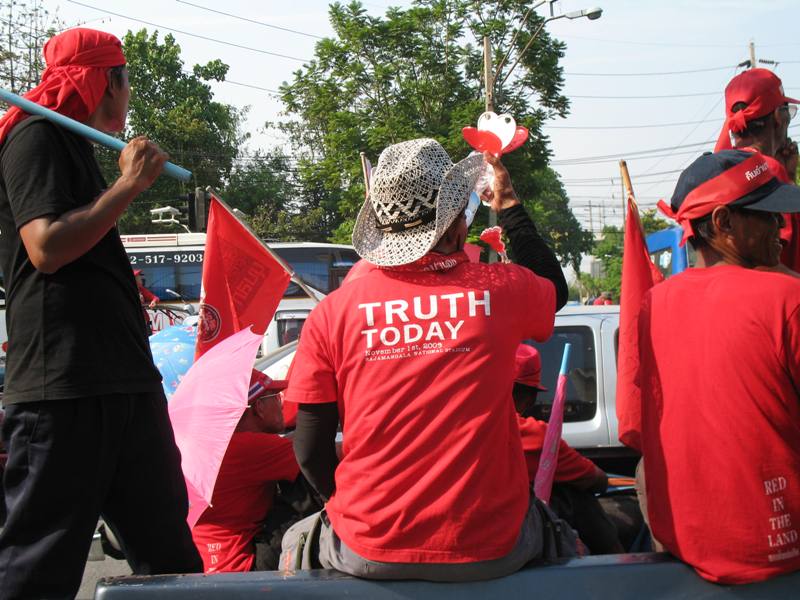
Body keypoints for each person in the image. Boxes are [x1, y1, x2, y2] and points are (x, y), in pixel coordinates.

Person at [281, 138, 572, 581]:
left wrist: (349, 507)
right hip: (492, 544)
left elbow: (308, 447)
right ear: (455, 224)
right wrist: (508, 202)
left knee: (290, 543)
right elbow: (554, 288)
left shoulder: (333, 311)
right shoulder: (501, 288)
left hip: (366, 546)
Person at [0, 28, 202, 598]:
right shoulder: (35, 136)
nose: (129, 93)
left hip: (122, 381)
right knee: (39, 567)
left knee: (169, 555)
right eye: (126, 78)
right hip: (64, 387)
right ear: (106, 80)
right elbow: (47, 247)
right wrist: (129, 187)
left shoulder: (70, 143)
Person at [640, 149, 800, 584]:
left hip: (684, 544)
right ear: (723, 223)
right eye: (766, 217)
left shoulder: (654, 303)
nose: (780, 230)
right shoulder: (785, 299)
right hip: (778, 550)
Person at [192, 370, 322, 573]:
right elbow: (325, 455)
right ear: (259, 407)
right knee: (310, 486)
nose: (281, 402)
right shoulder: (253, 447)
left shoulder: (217, 444)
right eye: (275, 397)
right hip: (244, 563)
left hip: (208, 561)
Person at [513, 344, 624, 554]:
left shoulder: (460, 424)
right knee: (576, 498)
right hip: (515, 530)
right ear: (530, 398)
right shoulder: (536, 436)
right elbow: (595, 479)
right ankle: (620, 564)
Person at [715, 68, 800, 270]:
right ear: (779, 117)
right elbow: (772, 263)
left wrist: (788, 179)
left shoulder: (718, 169)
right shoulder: (767, 170)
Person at [134, 269, 159, 333]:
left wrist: (154, 301)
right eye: (138, 276)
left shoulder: (141, 289)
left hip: (145, 321)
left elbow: (155, 297)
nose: (141, 278)